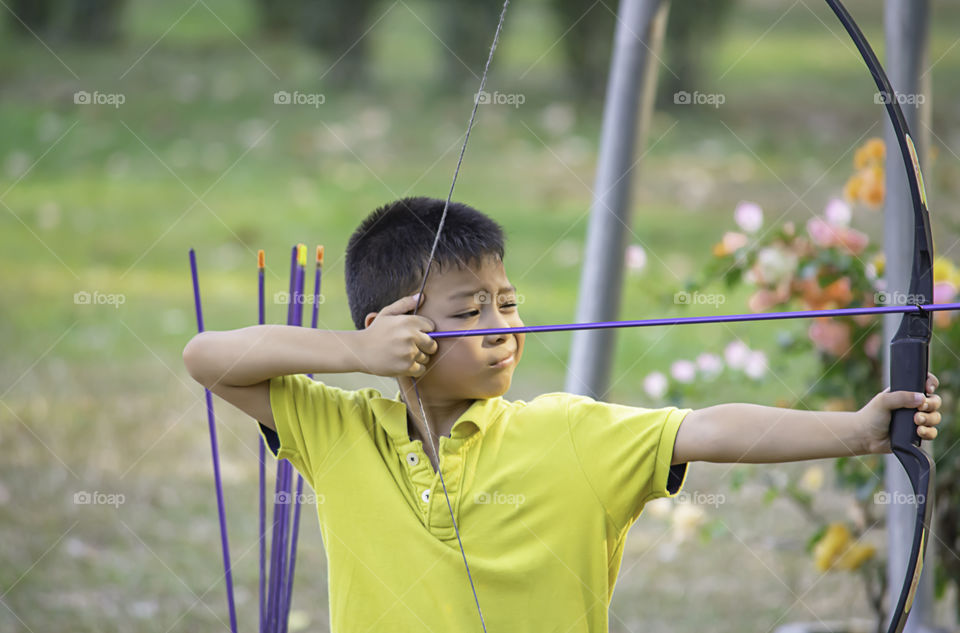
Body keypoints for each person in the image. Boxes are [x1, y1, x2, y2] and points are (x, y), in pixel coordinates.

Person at [182, 195, 942, 632]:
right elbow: (206, 356)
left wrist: (860, 430)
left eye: (507, 301)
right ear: (402, 325)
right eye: (470, 309)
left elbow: (708, 427)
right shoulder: (338, 431)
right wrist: (356, 351)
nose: (504, 324)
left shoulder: (571, 432)